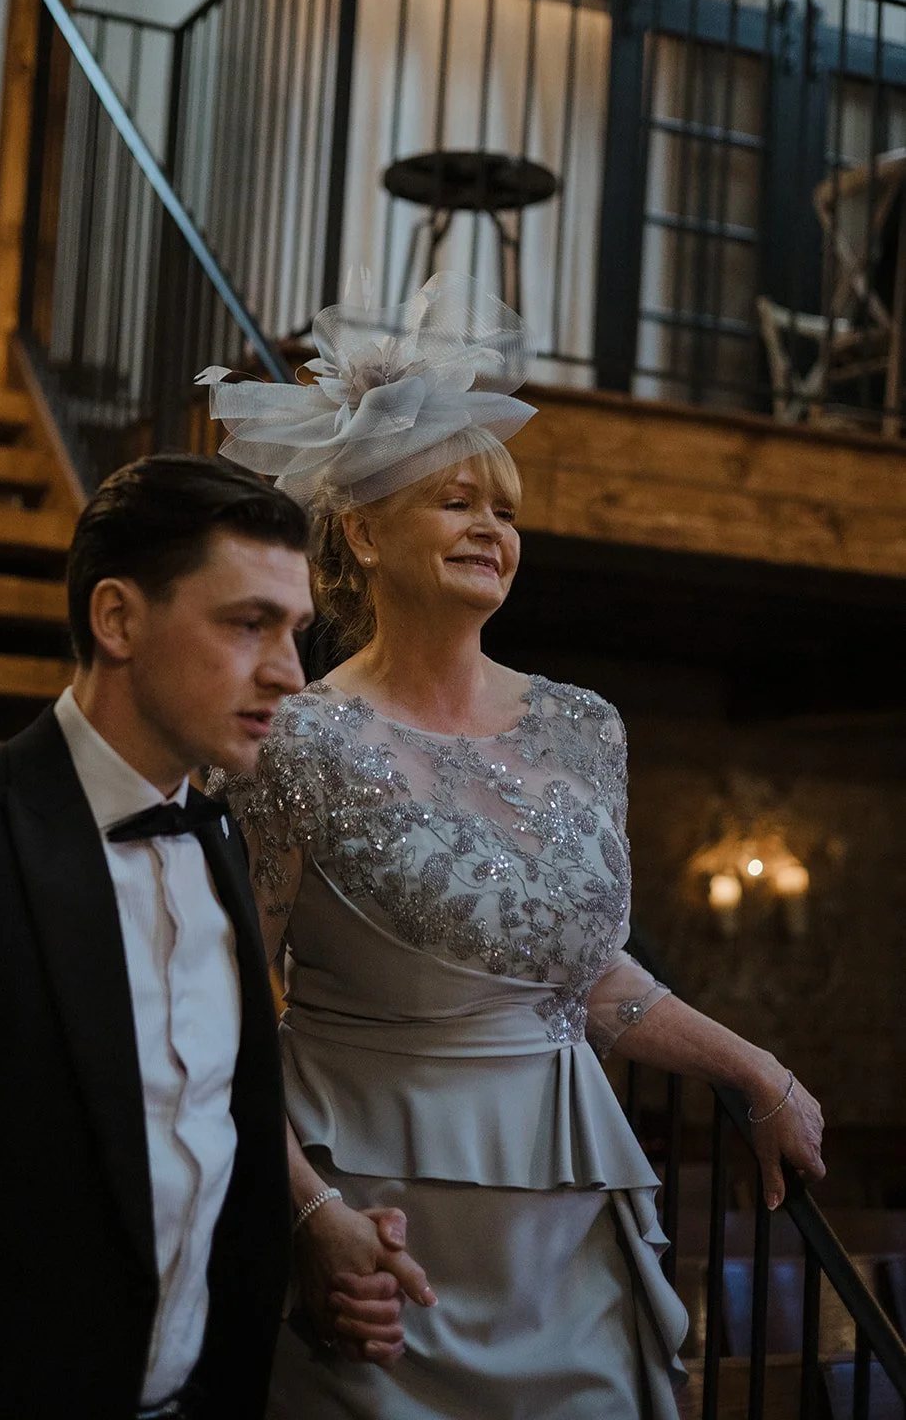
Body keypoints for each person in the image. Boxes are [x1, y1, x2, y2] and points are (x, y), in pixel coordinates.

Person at [202, 275, 827, 1420]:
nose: (490, 529)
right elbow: (229, 1003)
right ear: (361, 531)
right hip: (373, 1225)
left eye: (504, 512)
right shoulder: (293, 738)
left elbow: (582, 974)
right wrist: (301, 1216)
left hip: (562, 1229)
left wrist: (756, 1071)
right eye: (453, 503)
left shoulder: (584, 726)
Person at [0, 453, 314, 1420]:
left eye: (296, 630)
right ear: (118, 620)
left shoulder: (222, 839)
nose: (288, 673)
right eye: (248, 622)